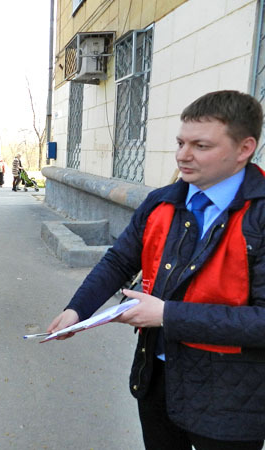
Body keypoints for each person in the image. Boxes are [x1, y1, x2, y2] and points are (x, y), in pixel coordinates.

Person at [47, 90, 265, 450]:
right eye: (180, 142)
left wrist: (167, 314)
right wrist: (77, 310)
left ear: (244, 149)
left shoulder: (259, 215)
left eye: (201, 145)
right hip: (157, 379)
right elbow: (119, 261)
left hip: (229, 399)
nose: (183, 155)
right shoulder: (162, 201)